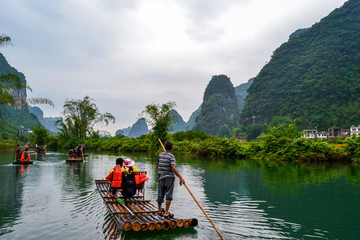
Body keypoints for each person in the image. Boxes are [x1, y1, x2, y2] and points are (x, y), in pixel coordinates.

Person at [157, 141, 185, 218]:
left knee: (160, 193)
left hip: (160, 177)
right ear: (171, 148)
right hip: (169, 178)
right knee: (168, 195)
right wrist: (180, 177)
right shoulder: (171, 156)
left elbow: (158, 163)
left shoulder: (160, 155)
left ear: (165, 147)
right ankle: (166, 212)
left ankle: (159, 210)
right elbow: (173, 167)